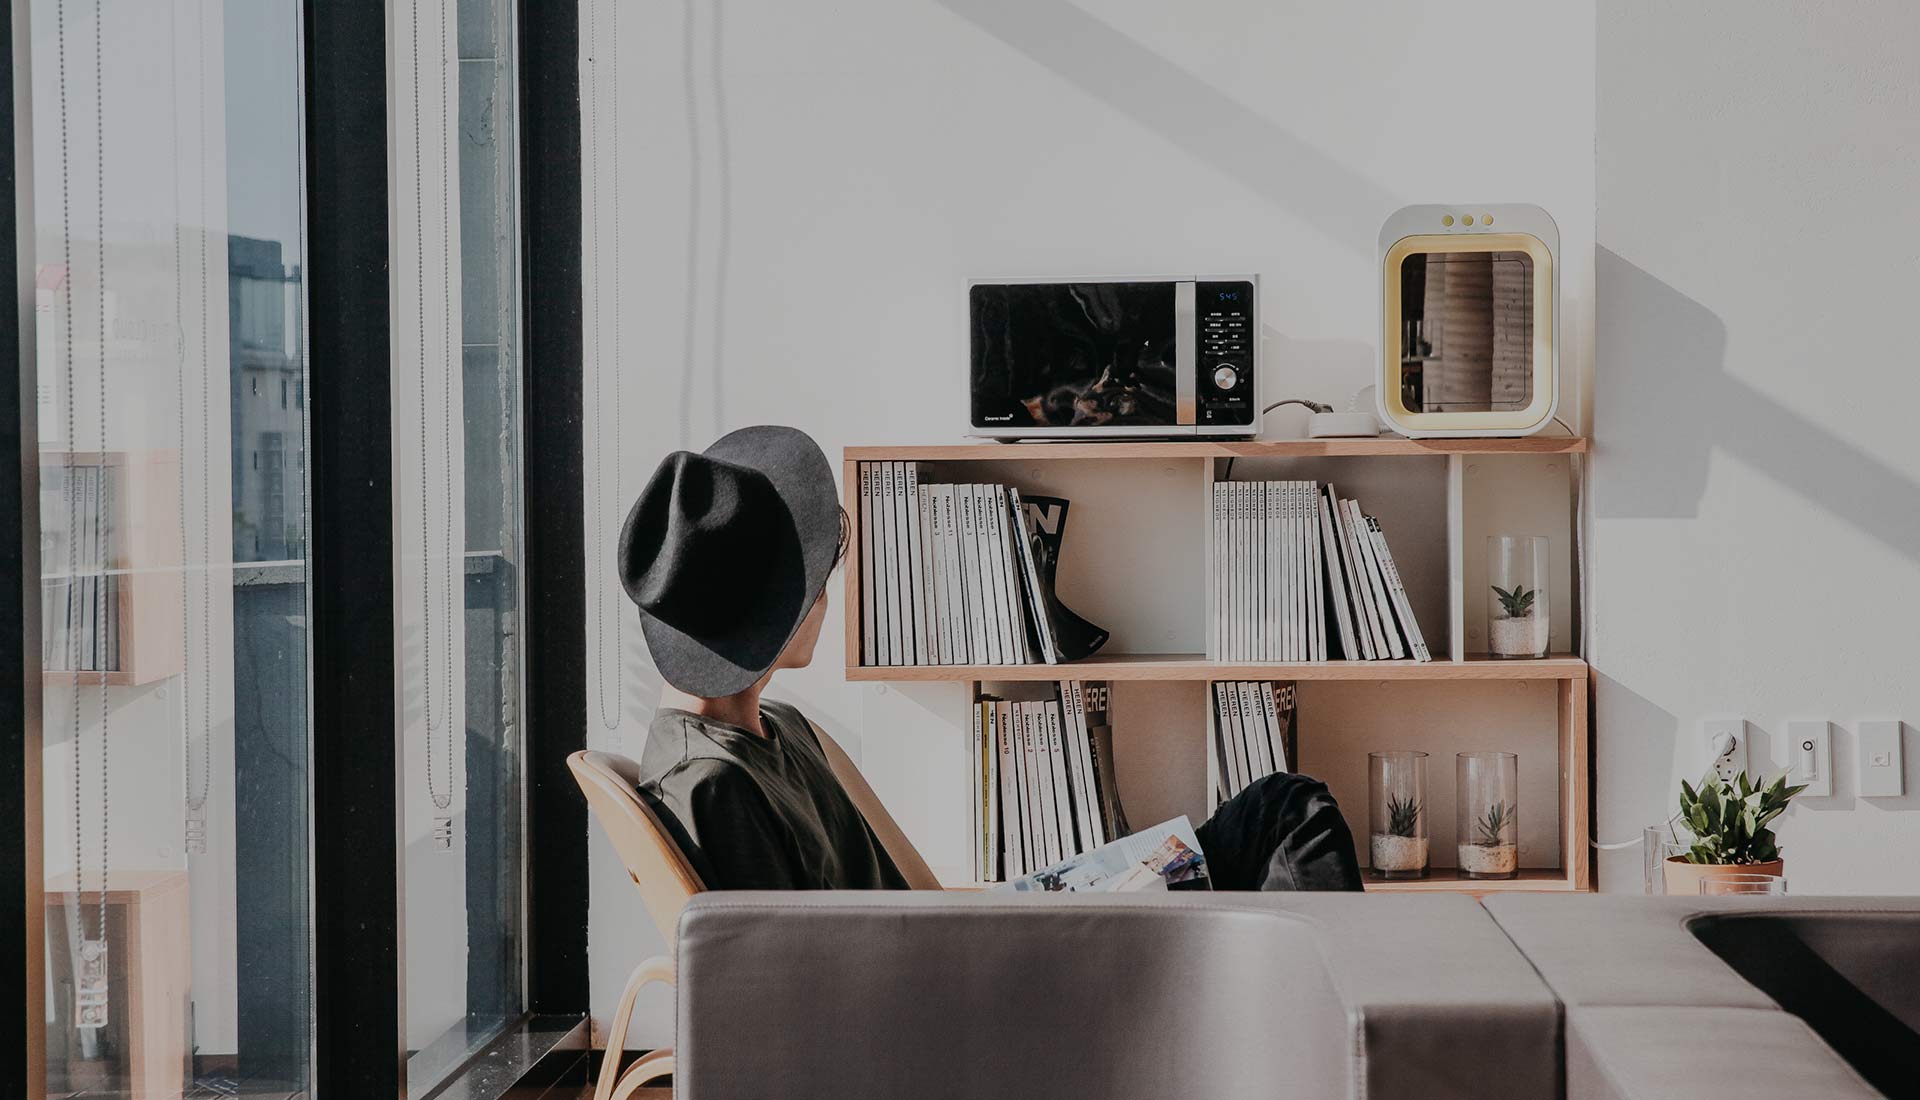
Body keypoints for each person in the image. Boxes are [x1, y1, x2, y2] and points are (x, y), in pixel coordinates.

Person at [618, 425, 1362, 891]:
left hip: (972, 944)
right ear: (776, 615)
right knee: (1297, 820)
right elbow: (796, 999)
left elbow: (921, 892)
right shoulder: (712, 786)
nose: (829, 590)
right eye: (819, 573)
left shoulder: (777, 727)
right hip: (966, 991)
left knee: (1285, 803)